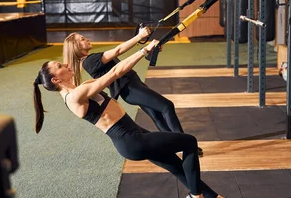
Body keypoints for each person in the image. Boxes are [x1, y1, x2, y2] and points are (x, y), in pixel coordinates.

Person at [33, 40, 246, 198]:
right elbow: (116, 71)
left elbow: (114, 72)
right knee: (189, 142)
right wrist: (143, 50)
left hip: (135, 133)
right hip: (129, 140)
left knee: (177, 167)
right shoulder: (74, 97)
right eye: (60, 65)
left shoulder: (85, 86)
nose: (66, 64)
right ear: (56, 79)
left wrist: (145, 47)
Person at [63, 28, 203, 156]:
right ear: (77, 48)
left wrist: (147, 47)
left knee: (157, 116)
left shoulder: (90, 60)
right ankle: (186, 145)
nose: (86, 39)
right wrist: (140, 36)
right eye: (82, 39)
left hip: (134, 87)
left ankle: (176, 145)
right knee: (167, 106)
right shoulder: (90, 61)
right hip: (131, 89)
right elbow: (118, 50)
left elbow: (120, 55)